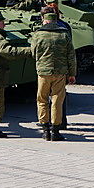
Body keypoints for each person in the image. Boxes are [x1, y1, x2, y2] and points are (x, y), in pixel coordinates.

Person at [30, 12, 76, 141]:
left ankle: (45, 131)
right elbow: (71, 56)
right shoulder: (64, 34)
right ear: (55, 21)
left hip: (43, 73)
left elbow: (33, 53)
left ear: (45, 21)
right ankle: (55, 131)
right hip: (60, 73)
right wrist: (72, 74)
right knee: (57, 101)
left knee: (42, 100)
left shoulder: (38, 35)